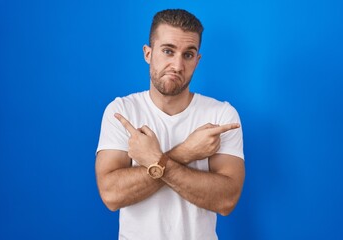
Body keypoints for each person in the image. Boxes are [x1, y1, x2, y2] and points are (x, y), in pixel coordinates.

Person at [95, 9, 245, 240]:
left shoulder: (221, 115)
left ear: (197, 60)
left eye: (188, 54)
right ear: (148, 53)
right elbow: (112, 195)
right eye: (168, 51)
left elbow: (226, 200)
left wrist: (156, 159)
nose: (177, 65)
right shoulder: (121, 111)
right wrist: (186, 152)